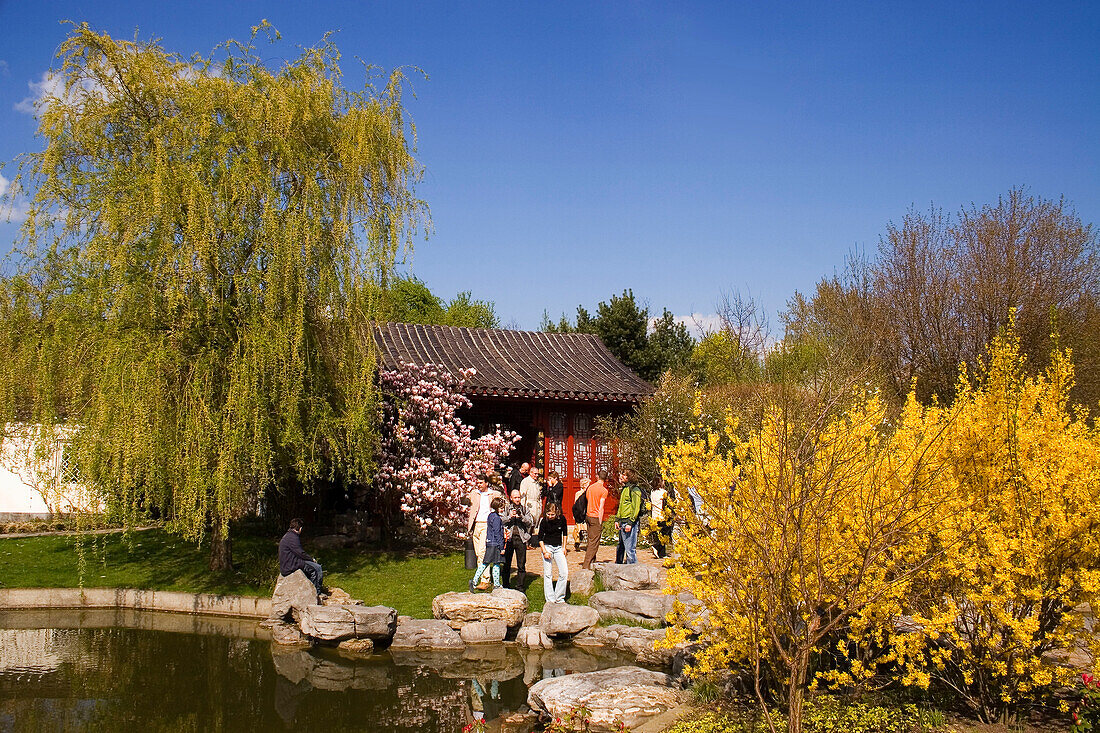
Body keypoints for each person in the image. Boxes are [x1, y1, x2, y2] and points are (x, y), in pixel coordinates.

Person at [467, 475, 503, 572]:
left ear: (486, 483)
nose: (478, 485)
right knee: (478, 552)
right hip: (476, 524)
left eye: (481, 483)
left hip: (486, 524)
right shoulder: (474, 493)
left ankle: (485, 579)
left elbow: (502, 503)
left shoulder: (494, 494)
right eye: (477, 483)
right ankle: (482, 574)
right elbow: (466, 501)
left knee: (482, 552)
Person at [470, 496, 506, 592]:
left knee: (485, 563)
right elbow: (497, 533)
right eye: (501, 508)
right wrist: (502, 547)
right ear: (497, 507)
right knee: (496, 564)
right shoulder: (497, 518)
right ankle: (496, 584)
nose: (503, 509)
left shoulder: (490, 515)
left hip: (489, 542)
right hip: (495, 544)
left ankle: (474, 580)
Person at [279, 518, 324, 593]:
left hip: (290, 562)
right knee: (317, 568)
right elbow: (301, 553)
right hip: (291, 565)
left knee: (310, 568)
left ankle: (310, 589)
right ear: (300, 528)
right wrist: (311, 559)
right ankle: (316, 592)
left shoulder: (289, 535)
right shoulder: (293, 537)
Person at [502, 488, 535, 589]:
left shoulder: (524, 509)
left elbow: (530, 523)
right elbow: (501, 521)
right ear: (511, 498)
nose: (517, 499)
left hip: (521, 539)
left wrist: (521, 517)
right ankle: (506, 585)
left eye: (519, 497)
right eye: (515, 497)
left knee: (521, 564)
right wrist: (510, 517)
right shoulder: (507, 509)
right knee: (506, 563)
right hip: (509, 538)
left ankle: (520, 586)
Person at [538, 502, 569, 604]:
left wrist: (564, 547)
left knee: (564, 572)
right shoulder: (544, 521)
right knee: (548, 574)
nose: (550, 516)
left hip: (558, 547)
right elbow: (540, 538)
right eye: (548, 514)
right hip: (547, 546)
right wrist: (544, 551)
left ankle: (559, 597)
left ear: (556, 513)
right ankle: (550, 599)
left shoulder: (562, 519)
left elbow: (565, 533)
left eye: (552, 514)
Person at [613, 469, 643, 564]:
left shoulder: (635, 490)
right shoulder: (625, 489)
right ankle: (619, 567)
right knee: (620, 547)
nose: (621, 476)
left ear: (629, 477)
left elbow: (636, 507)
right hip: (622, 521)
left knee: (630, 549)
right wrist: (617, 519)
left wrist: (631, 522)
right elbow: (621, 506)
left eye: (624, 475)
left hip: (629, 522)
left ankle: (634, 571)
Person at [581, 470, 609, 569]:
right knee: (594, 543)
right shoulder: (604, 491)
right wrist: (600, 522)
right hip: (596, 516)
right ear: (605, 479)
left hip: (588, 515)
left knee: (591, 540)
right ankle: (586, 565)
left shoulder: (590, 487)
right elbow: (601, 507)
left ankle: (592, 562)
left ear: (597, 476)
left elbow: (588, 500)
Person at [649, 479, 671, 559]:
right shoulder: (663, 492)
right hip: (662, 515)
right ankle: (656, 546)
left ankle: (662, 553)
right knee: (664, 533)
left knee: (660, 534)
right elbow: (667, 503)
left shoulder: (652, 491)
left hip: (654, 515)